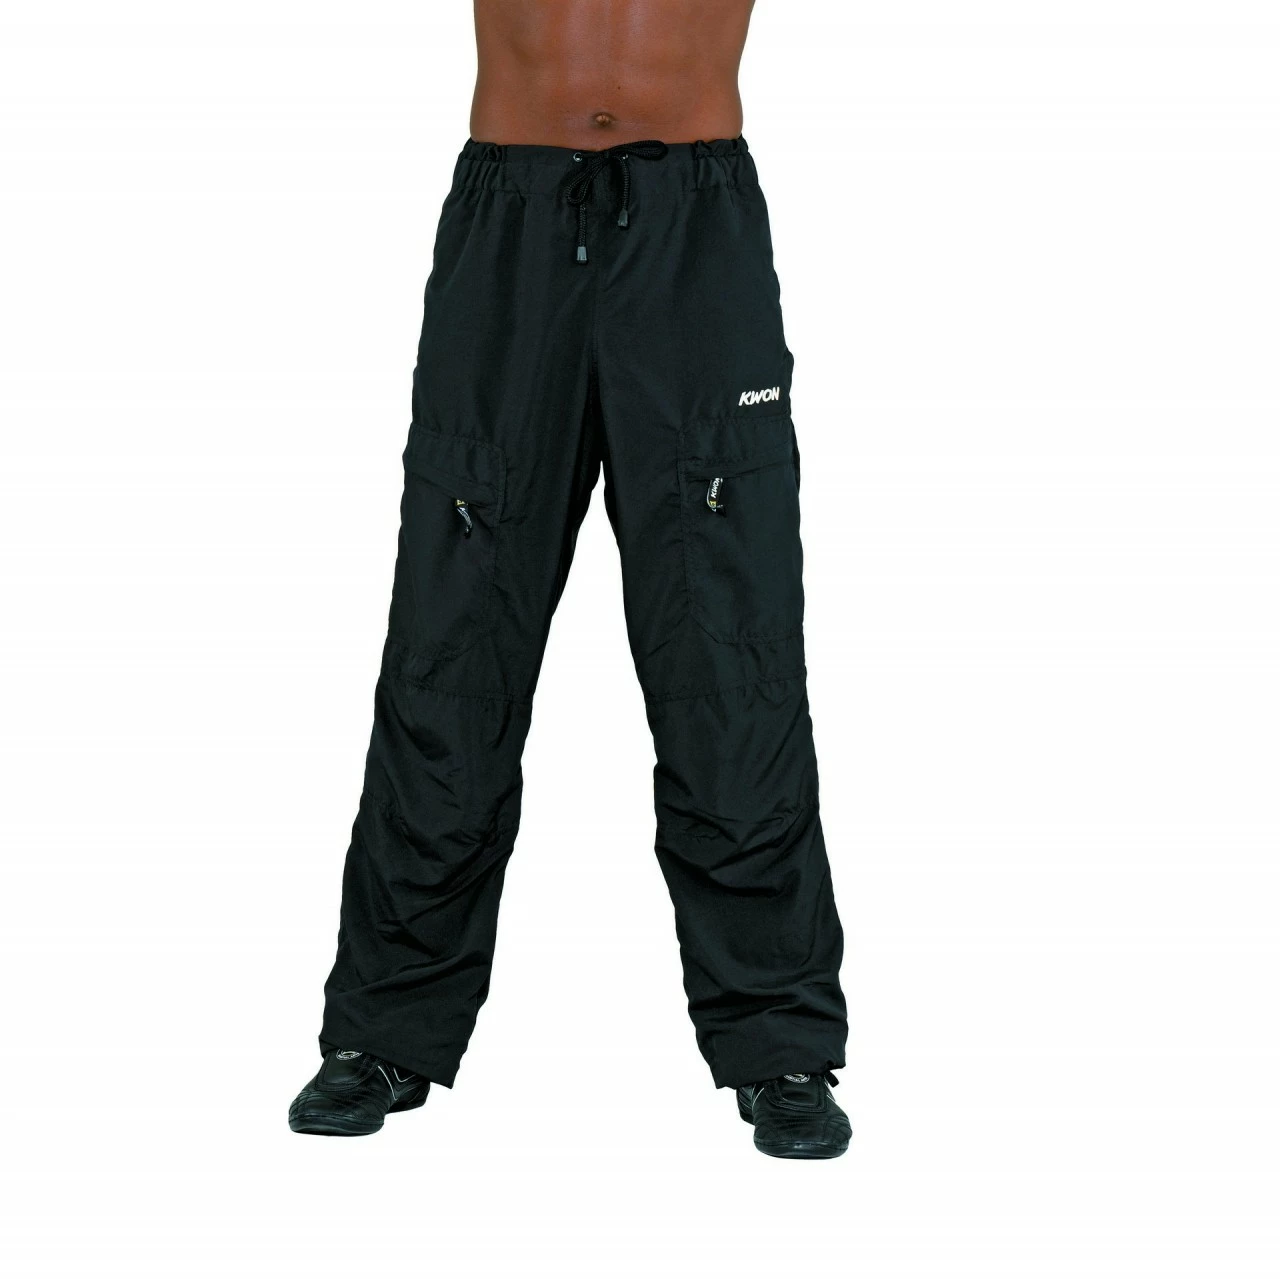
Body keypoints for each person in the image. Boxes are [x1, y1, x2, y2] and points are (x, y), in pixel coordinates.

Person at [288, 0, 850, 1160]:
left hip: (694, 226)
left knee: (728, 651)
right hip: (512, 227)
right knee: (450, 641)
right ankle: (384, 1031)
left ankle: (779, 1045)